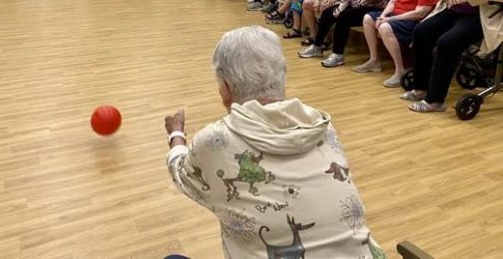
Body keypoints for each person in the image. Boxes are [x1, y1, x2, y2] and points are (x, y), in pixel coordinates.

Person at [164, 26, 385, 259]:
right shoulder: (322, 125)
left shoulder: (215, 140)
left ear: (225, 89)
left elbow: (181, 172)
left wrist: (175, 134)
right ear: (284, 74)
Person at [403, 0, 503, 113]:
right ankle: (420, 88)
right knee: (421, 32)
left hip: (479, 16)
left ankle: (435, 100)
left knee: (448, 42)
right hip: (455, 10)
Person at [354, 0, 439, 87]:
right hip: (397, 16)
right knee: (368, 18)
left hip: (414, 21)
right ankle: (374, 60)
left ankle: (400, 70)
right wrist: (383, 15)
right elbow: (394, 0)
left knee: (385, 27)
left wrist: (388, 19)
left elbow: (420, 13)